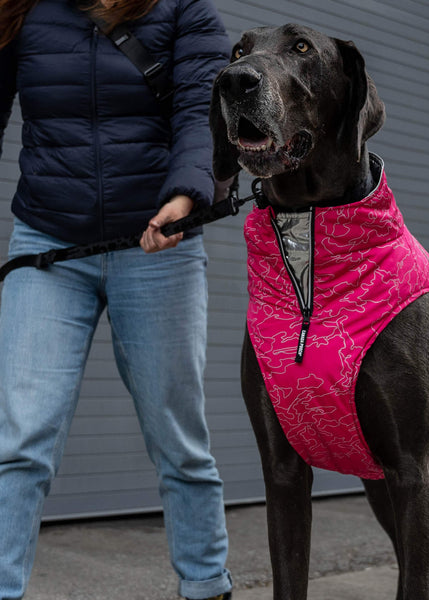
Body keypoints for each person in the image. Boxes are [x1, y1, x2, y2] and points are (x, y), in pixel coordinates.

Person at [0, 1, 233, 599]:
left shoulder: (183, 10)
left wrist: (186, 195)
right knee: (21, 439)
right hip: (49, 245)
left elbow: (198, 112)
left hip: (159, 241)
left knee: (178, 438)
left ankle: (206, 585)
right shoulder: (19, 10)